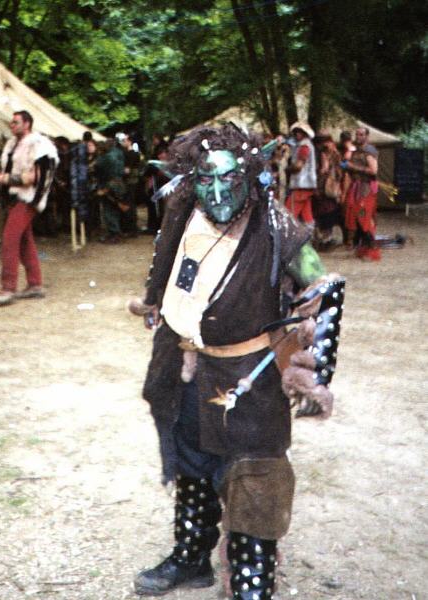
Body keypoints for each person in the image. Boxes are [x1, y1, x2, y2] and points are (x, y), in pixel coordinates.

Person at [128, 125, 345, 599]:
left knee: (255, 479)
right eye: (206, 179)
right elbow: (166, 278)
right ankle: (191, 557)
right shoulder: (183, 217)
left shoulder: (277, 226)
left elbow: (325, 292)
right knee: (192, 462)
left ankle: (251, 578)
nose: (218, 190)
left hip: (250, 380)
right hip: (190, 368)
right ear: (192, 180)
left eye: (229, 178)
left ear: (249, 176)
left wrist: (315, 374)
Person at [0, 110, 58, 306]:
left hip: (28, 198)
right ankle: (35, 284)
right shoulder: (12, 144)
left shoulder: (39, 145)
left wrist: (4, 178)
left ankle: (8, 288)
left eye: (16, 122)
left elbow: (34, 178)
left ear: (27, 124)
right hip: (15, 198)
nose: (12, 125)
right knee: (24, 241)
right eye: (11, 122)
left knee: (10, 239)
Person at [342, 127, 381, 261]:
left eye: (361, 134)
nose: (358, 136)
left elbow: (373, 170)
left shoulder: (369, 151)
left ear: (367, 136)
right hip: (356, 187)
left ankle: (372, 251)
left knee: (364, 217)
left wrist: (353, 167)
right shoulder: (356, 151)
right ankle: (363, 249)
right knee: (355, 217)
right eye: (357, 134)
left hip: (366, 188)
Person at [313, 132, 344, 249]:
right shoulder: (336, 153)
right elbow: (339, 172)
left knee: (324, 213)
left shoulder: (324, 153)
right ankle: (327, 238)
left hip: (324, 187)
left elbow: (324, 170)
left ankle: (325, 239)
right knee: (329, 212)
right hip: (332, 187)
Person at [285, 122, 317, 230]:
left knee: (289, 212)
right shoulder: (305, 145)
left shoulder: (304, 146)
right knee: (306, 214)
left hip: (302, 184)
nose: (297, 134)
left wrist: (286, 169)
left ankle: (288, 235)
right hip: (306, 185)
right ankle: (311, 234)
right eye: (296, 132)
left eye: (299, 132)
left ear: (305, 133)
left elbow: (298, 166)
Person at [95, 138, 127, 244]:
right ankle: (115, 233)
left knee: (109, 211)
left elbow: (100, 170)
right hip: (117, 184)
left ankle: (114, 234)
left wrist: (105, 188)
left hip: (109, 185)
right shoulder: (118, 153)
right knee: (114, 209)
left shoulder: (106, 157)